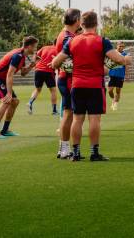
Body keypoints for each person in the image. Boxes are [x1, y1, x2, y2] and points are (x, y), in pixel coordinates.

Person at [52, 11, 129, 162]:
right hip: (95, 85)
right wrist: (127, 59)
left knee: (77, 119)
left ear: (81, 24)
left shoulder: (72, 41)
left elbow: (55, 63)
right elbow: (119, 60)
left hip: (77, 85)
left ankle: (76, 153)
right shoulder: (102, 41)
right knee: (94, 119)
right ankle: (94, 153)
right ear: (96, 24)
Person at [0, 36, 37, 139]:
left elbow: (23, 73)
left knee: (15, 101)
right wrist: (9, 93)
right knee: (7, 101)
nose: (36, 49)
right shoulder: (17, 55)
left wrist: (32, 65)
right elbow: (10, 74)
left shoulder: (23, 56)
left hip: (2, 80)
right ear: (29, 46)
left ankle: (4, 130)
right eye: (35, 47)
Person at [55, 8, 81, 159]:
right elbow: (69, 60)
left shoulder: (66, 34)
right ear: (77, 20)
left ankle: (63, 148)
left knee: (68, 113)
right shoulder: (67, 37)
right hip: (68, 78)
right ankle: (64, 148)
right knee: (68, 113)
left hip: (66, 78)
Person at [27, 43, 58, 116]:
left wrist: (34, 61)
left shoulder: (45, 48)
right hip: (48, 71)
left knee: (37, 89)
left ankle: (30, 102)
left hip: (38, 70)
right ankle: (54, 111)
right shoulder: (58, 50)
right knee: (53, 90)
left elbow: (36, 54)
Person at [107, 41, 128, 111]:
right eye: (120, 46)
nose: (121, 47)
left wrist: (126, 75)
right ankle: (113, 100)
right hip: (112, 74)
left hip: (120, 75)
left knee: (118, 91)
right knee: (110, 90)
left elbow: (126, 66)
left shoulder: (125, 54)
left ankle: (115, 103)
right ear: (117, 46)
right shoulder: (113, 54)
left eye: (122, 46)